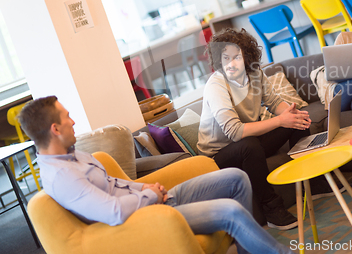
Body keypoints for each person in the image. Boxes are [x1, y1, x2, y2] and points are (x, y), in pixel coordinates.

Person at [20, 96, 293, 254]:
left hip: (153, 200)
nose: (74, 121)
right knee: (231, 212)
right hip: (146, 218)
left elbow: (115, 185)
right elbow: (112, 212)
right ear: (55, 129)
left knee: (235, 177)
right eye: (68, 117)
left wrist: (144, 188)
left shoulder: (74, 153)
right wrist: (149, 196)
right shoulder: (62, 177)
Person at [197, 28, 314, 231]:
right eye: (226, 58)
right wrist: (280, 121)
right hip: (218, 156)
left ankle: (314, 183)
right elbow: (235, 132)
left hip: (248, 142)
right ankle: (271, 209)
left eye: (237, 57)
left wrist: (291, 113)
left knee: (297, 120)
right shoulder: (216, 85)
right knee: (249, 144)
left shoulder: (255, 73)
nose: (231, 63)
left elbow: (274, 101)